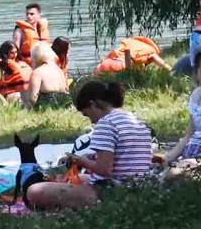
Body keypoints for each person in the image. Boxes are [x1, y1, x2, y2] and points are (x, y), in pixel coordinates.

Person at [27, 80, 154, 210]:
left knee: (34, 191)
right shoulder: (135, 120)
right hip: (140, 186)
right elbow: (124, 155)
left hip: (112, 190)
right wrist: (92, 157)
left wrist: (80, 160)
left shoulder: (105, 124)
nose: (92, 121)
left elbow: (104, 170)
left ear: (92, 104)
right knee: (80, 178)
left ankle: (94, 205)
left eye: (87, 115)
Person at [22, 43, 70, 108]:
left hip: (47, 106)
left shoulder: (37, 73)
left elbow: (33, 98)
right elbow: (66, 89)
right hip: (63, 105)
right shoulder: (59, 71)